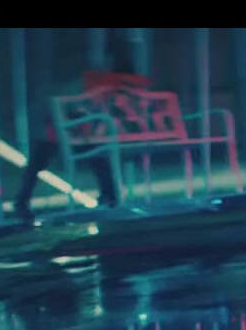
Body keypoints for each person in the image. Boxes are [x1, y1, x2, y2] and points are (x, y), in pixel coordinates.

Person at [11, 43, 146, 225]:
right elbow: (67, 106)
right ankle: (22, 201)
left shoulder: (100, 84)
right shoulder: (86, 83)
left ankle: (109, 196)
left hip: (78, 131)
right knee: (41, 162)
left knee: (97, 159)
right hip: (60, 128)